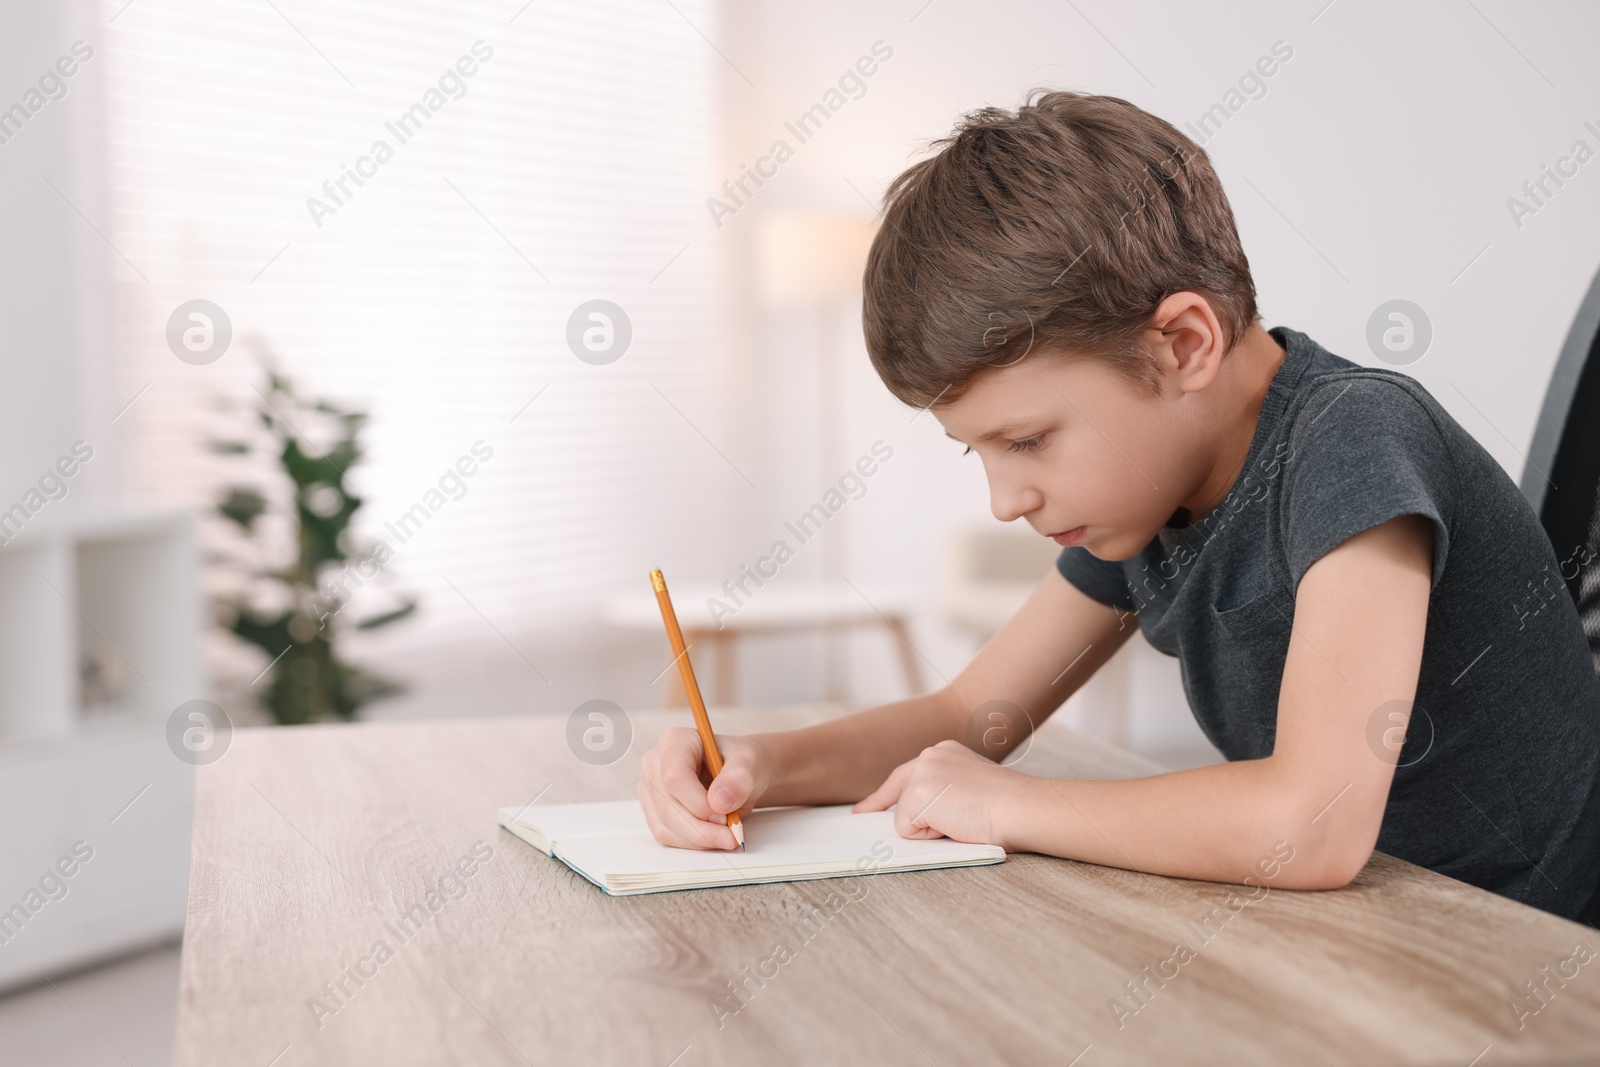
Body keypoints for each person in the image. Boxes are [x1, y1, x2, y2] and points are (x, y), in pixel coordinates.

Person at [637, 91, 1600, 923]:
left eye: (1028, 440)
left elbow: (1312, 825)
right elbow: (975, 712)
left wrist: (1010, 805)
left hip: (1521, 960)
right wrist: (758, 765)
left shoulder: (1351, 442)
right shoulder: (1150, 498)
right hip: (1365, 942)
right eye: (976, 452)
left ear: (1183, 345)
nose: (1007, 498)